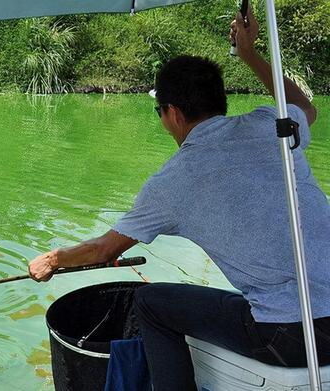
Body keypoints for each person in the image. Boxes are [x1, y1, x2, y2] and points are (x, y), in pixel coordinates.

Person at [28, 5, 330, 390]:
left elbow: (104, 250)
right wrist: (250, 53)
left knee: (152, 305)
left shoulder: (173, 180)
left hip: (292, 337)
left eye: (159, 112)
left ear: (171, 112)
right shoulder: (269, 126)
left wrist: (53, 259)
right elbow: (306, 106)